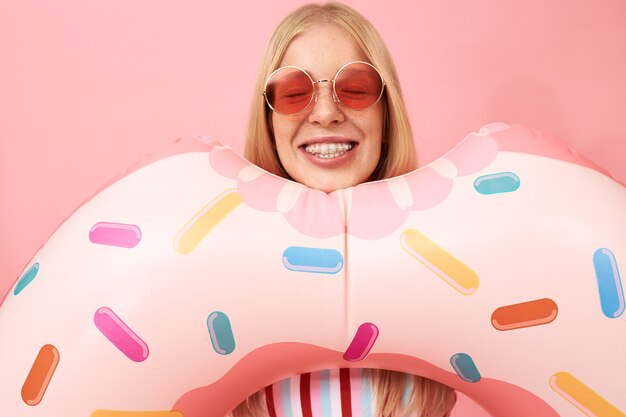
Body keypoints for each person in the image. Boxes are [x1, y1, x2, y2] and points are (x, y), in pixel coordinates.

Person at [233, 3, 457, 417]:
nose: (326, 114)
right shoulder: (223, 262)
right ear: (268, 121)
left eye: (354, 88)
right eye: (294, 93)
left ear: (386, 115)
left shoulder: (442, 260)